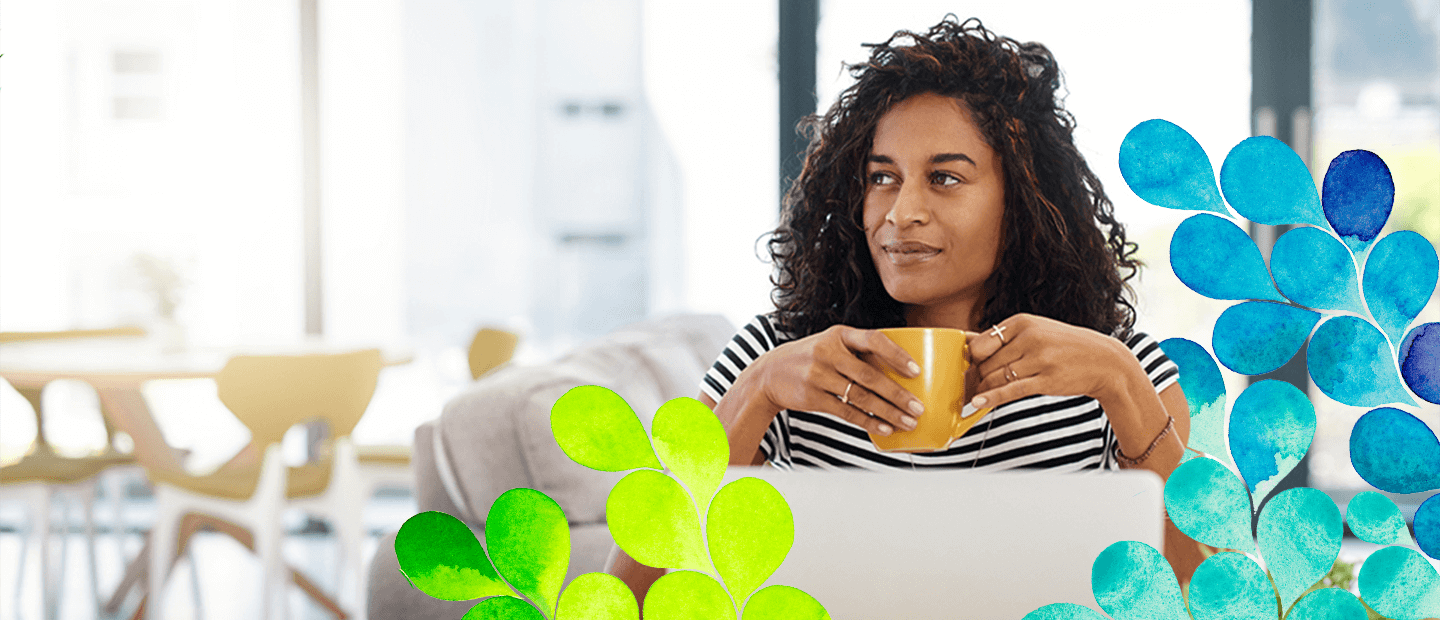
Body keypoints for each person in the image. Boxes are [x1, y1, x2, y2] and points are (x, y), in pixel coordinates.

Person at [607, 15, 1203, 605]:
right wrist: (756, 392)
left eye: (944, 177)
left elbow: (1213, 594)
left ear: (1023, 197)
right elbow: (626, 597)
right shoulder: (775, 359)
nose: (900, 212)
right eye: (882, 177)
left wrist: (1122, 386)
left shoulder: (1120, 368)